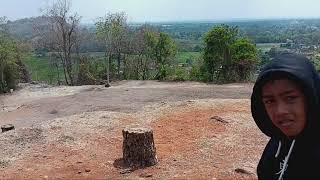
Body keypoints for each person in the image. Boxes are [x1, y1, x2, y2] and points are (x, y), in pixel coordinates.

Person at [251, 52, 320, 180]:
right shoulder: (278, 141)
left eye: (290, 98)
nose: (280, 111)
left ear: (310, 98)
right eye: (270, 101)